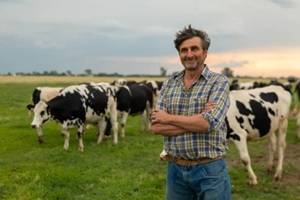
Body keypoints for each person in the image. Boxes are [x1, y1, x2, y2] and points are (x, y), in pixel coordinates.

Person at [150, 25, 231, 200]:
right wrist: (198, 119)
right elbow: (156, 127)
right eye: (183, 50)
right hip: (176, 169)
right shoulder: (170, 83)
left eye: (194, 48)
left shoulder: (218, 82)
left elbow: (209, 123)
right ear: (179, 54)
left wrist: (169, 118)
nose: (189, 54)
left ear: (205, 52)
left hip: (210, 170)